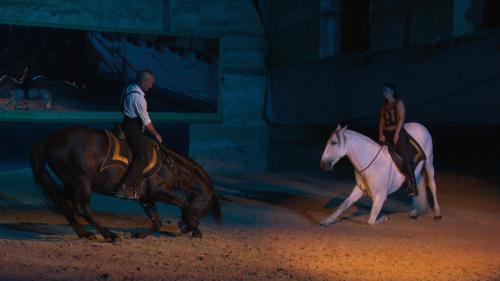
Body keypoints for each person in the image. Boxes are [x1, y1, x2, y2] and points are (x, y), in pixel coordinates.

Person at [114, 69, 163, 199]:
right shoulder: (139, 98)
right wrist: (156, 135)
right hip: (132, 127)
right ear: (143, 81)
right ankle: (123, 187)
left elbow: (120, 103)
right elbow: (147, 122)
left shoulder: (129, 87)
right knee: (142, 156)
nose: (151, 86)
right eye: (150, 83)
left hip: (125, 122)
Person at [378, 83, 418, 196]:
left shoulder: (398, 102)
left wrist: (396, 133)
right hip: (386, 133)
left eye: (385, 90)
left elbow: (401, 119)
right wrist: (381, 134)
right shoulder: (384, 106)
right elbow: (381, 122)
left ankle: (413, 185)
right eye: (383, 91)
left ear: (392, 91)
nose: (383, 93)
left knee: (405, 156)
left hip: (398, 133)